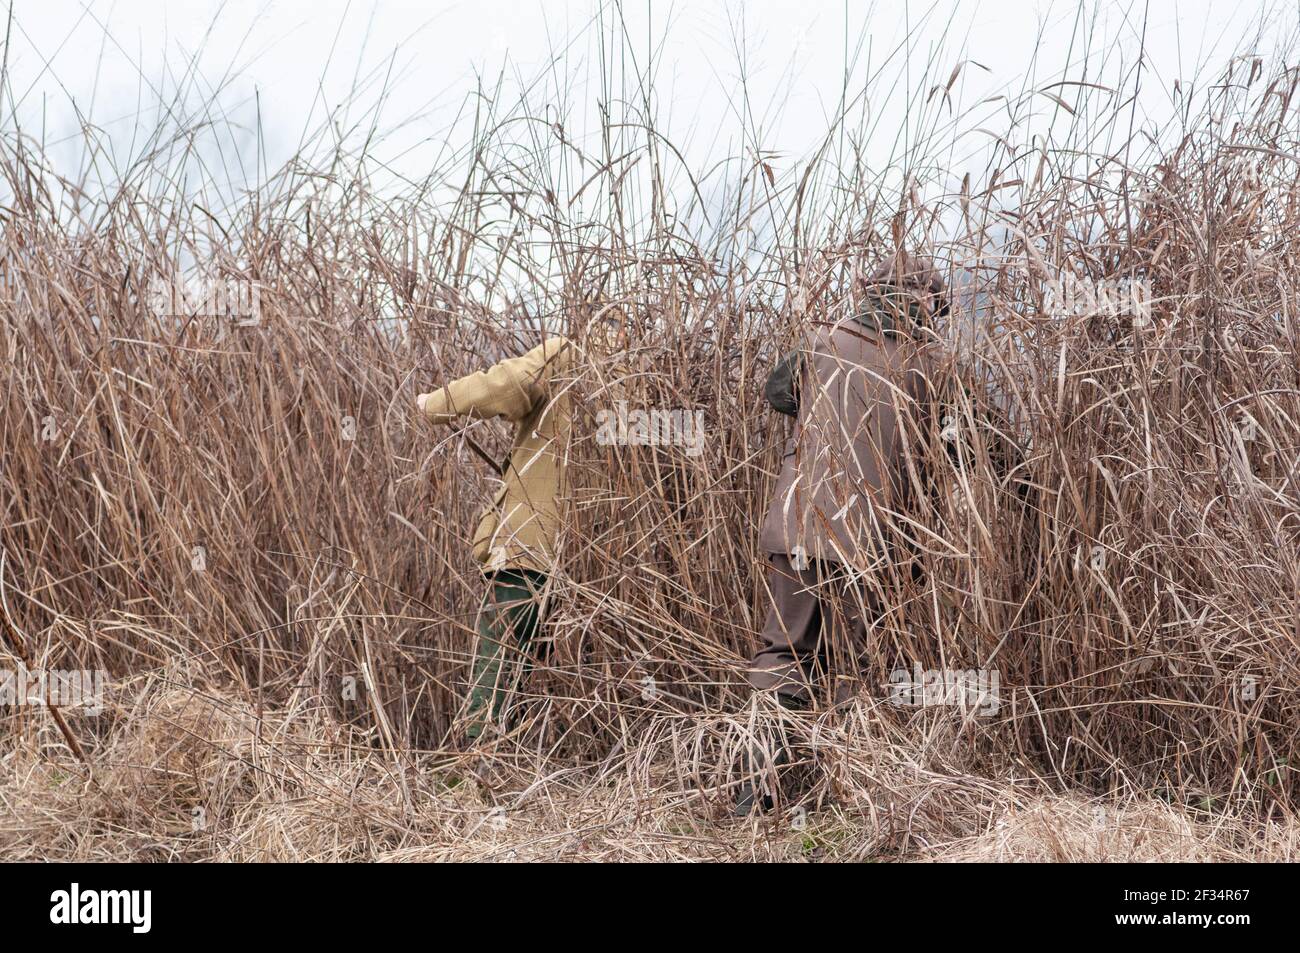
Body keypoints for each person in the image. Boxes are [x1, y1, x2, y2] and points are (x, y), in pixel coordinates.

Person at [735, 253, 948, 816]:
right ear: (927, 303)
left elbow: (777, 395)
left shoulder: (819, 343)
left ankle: (757, 795)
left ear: (869, 292)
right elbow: (977, 443)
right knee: (861, 663)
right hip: (872, 541)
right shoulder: (932, 366)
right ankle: (854, 798)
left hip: (798, 524)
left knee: (783, 652)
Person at [417, 334, 577, 744]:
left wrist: (435, 404)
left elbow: (511, 384)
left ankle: (474, 772)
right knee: (554, 681)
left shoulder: (570, 353)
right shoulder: (646, 373)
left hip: (529, 551)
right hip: (593, 564)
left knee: (494, 681)